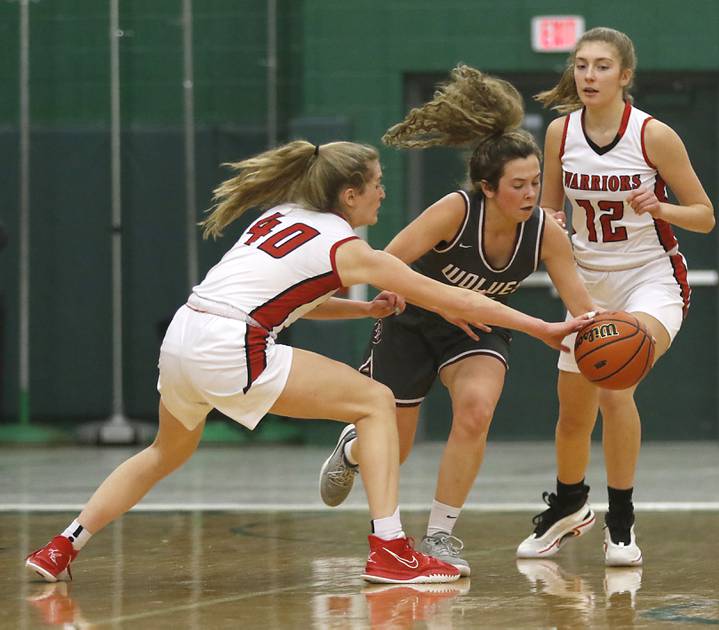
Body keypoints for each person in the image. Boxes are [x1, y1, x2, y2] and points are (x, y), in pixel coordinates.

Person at [24, 140, 592, 585]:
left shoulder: (279, 218)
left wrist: (363, 310)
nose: (383, 197)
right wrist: (541, 327)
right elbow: (453, 299)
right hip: (232, 345)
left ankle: (63, 544)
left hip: (183, 337)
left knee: (165, 451)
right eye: (377, 186)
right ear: (349, 194)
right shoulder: (346, 245)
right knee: (375, 403)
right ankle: (392, 550)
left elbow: (297, 300)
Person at [318, 65, 597, 577]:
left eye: (537, 182)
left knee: (475, 410)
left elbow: (581, 303)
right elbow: (385, 265)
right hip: (412, 323)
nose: (532, 193)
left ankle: (441, 536)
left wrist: (612, 329)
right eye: (519, 185)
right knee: (393, 449)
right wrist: (446, 301)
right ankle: (353, 447)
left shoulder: (546, 233)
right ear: (488, 187)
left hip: (480, 331)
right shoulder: (454, 211)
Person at [516, 27, 715, 566]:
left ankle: (621, 522)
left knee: (613, 381)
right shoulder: (560, 133)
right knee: (572, 413)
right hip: (588, 280)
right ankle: (568, 506)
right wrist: (546, 224)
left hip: (651, 278)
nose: (588, 76)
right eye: (581, 66)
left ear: (625, 76)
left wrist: (661, 207)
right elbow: (554, 212)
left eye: (601, 66)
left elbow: (705, 215)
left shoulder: (654, 136)